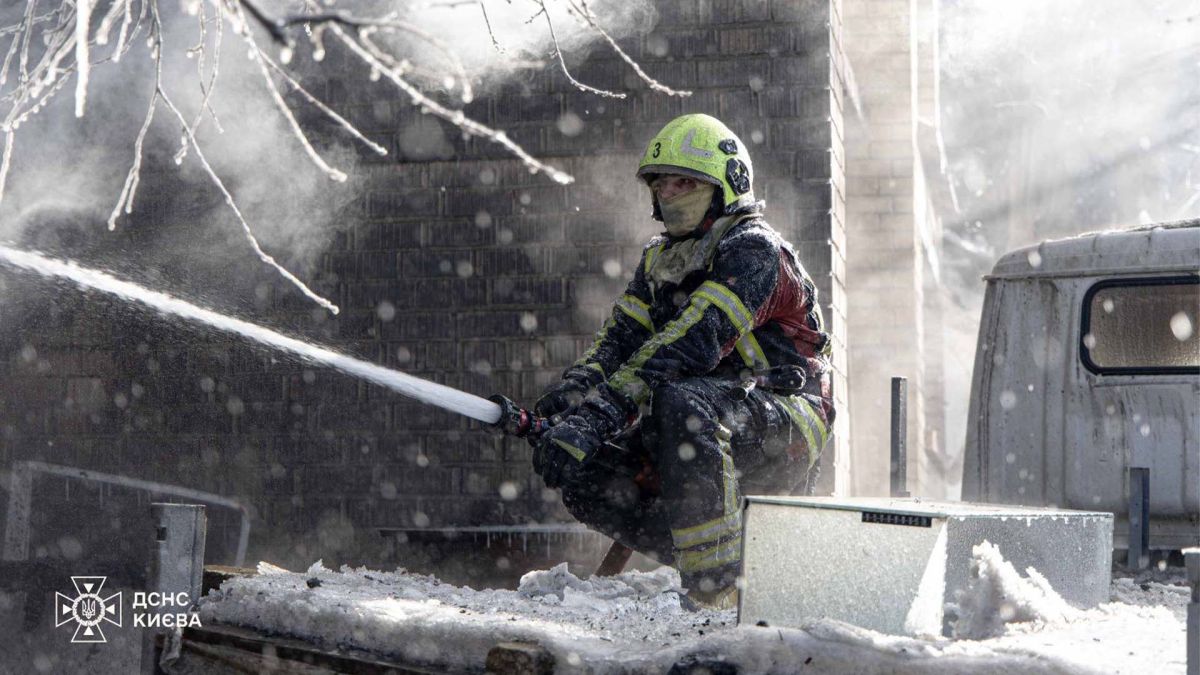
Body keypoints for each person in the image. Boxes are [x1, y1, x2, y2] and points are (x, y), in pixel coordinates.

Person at [531, 113, 835, 609]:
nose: (669, 194)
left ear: (726, 186)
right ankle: (739, 566)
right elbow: (620, 343)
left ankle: (714, 585)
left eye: (686, 182)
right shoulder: (660, 259)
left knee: (681, 399)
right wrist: (569, 402)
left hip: (787, 417)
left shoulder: (753, 249)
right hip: (700, 416)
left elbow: (690, 343)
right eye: (661, 183)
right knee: (584, 473)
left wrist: (601, 413)